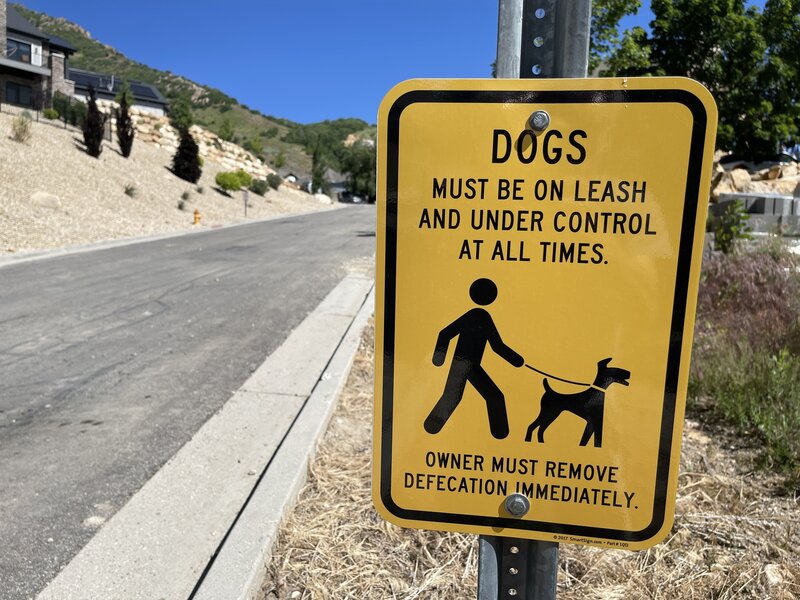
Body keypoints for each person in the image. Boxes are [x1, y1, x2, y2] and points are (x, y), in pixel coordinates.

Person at [423, 278, 524, 439]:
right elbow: (497, 346)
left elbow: (445, 334)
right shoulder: (480, 316)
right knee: (490, 396)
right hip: (465, 365)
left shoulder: (478, 316)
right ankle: (500, 433)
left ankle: (431, 427)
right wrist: (438, 358)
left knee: (457, 396)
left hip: (467, 364)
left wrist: (517, 361)